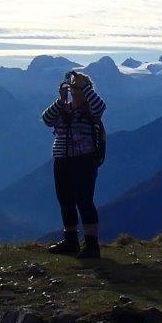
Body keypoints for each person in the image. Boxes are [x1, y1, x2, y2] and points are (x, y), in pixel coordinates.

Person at [41, 70, 106, 259]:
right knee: (65, 199)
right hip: (61, 159)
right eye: (72, 88)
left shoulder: (91, 110)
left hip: (84, 160)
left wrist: (85, 87)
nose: (74, 91)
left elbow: (101, 106)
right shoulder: (64, 109)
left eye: (78, 88)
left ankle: (92, 245)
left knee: (84, 200)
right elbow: (46, 119)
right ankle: (71, 241)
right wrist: (61, 100)